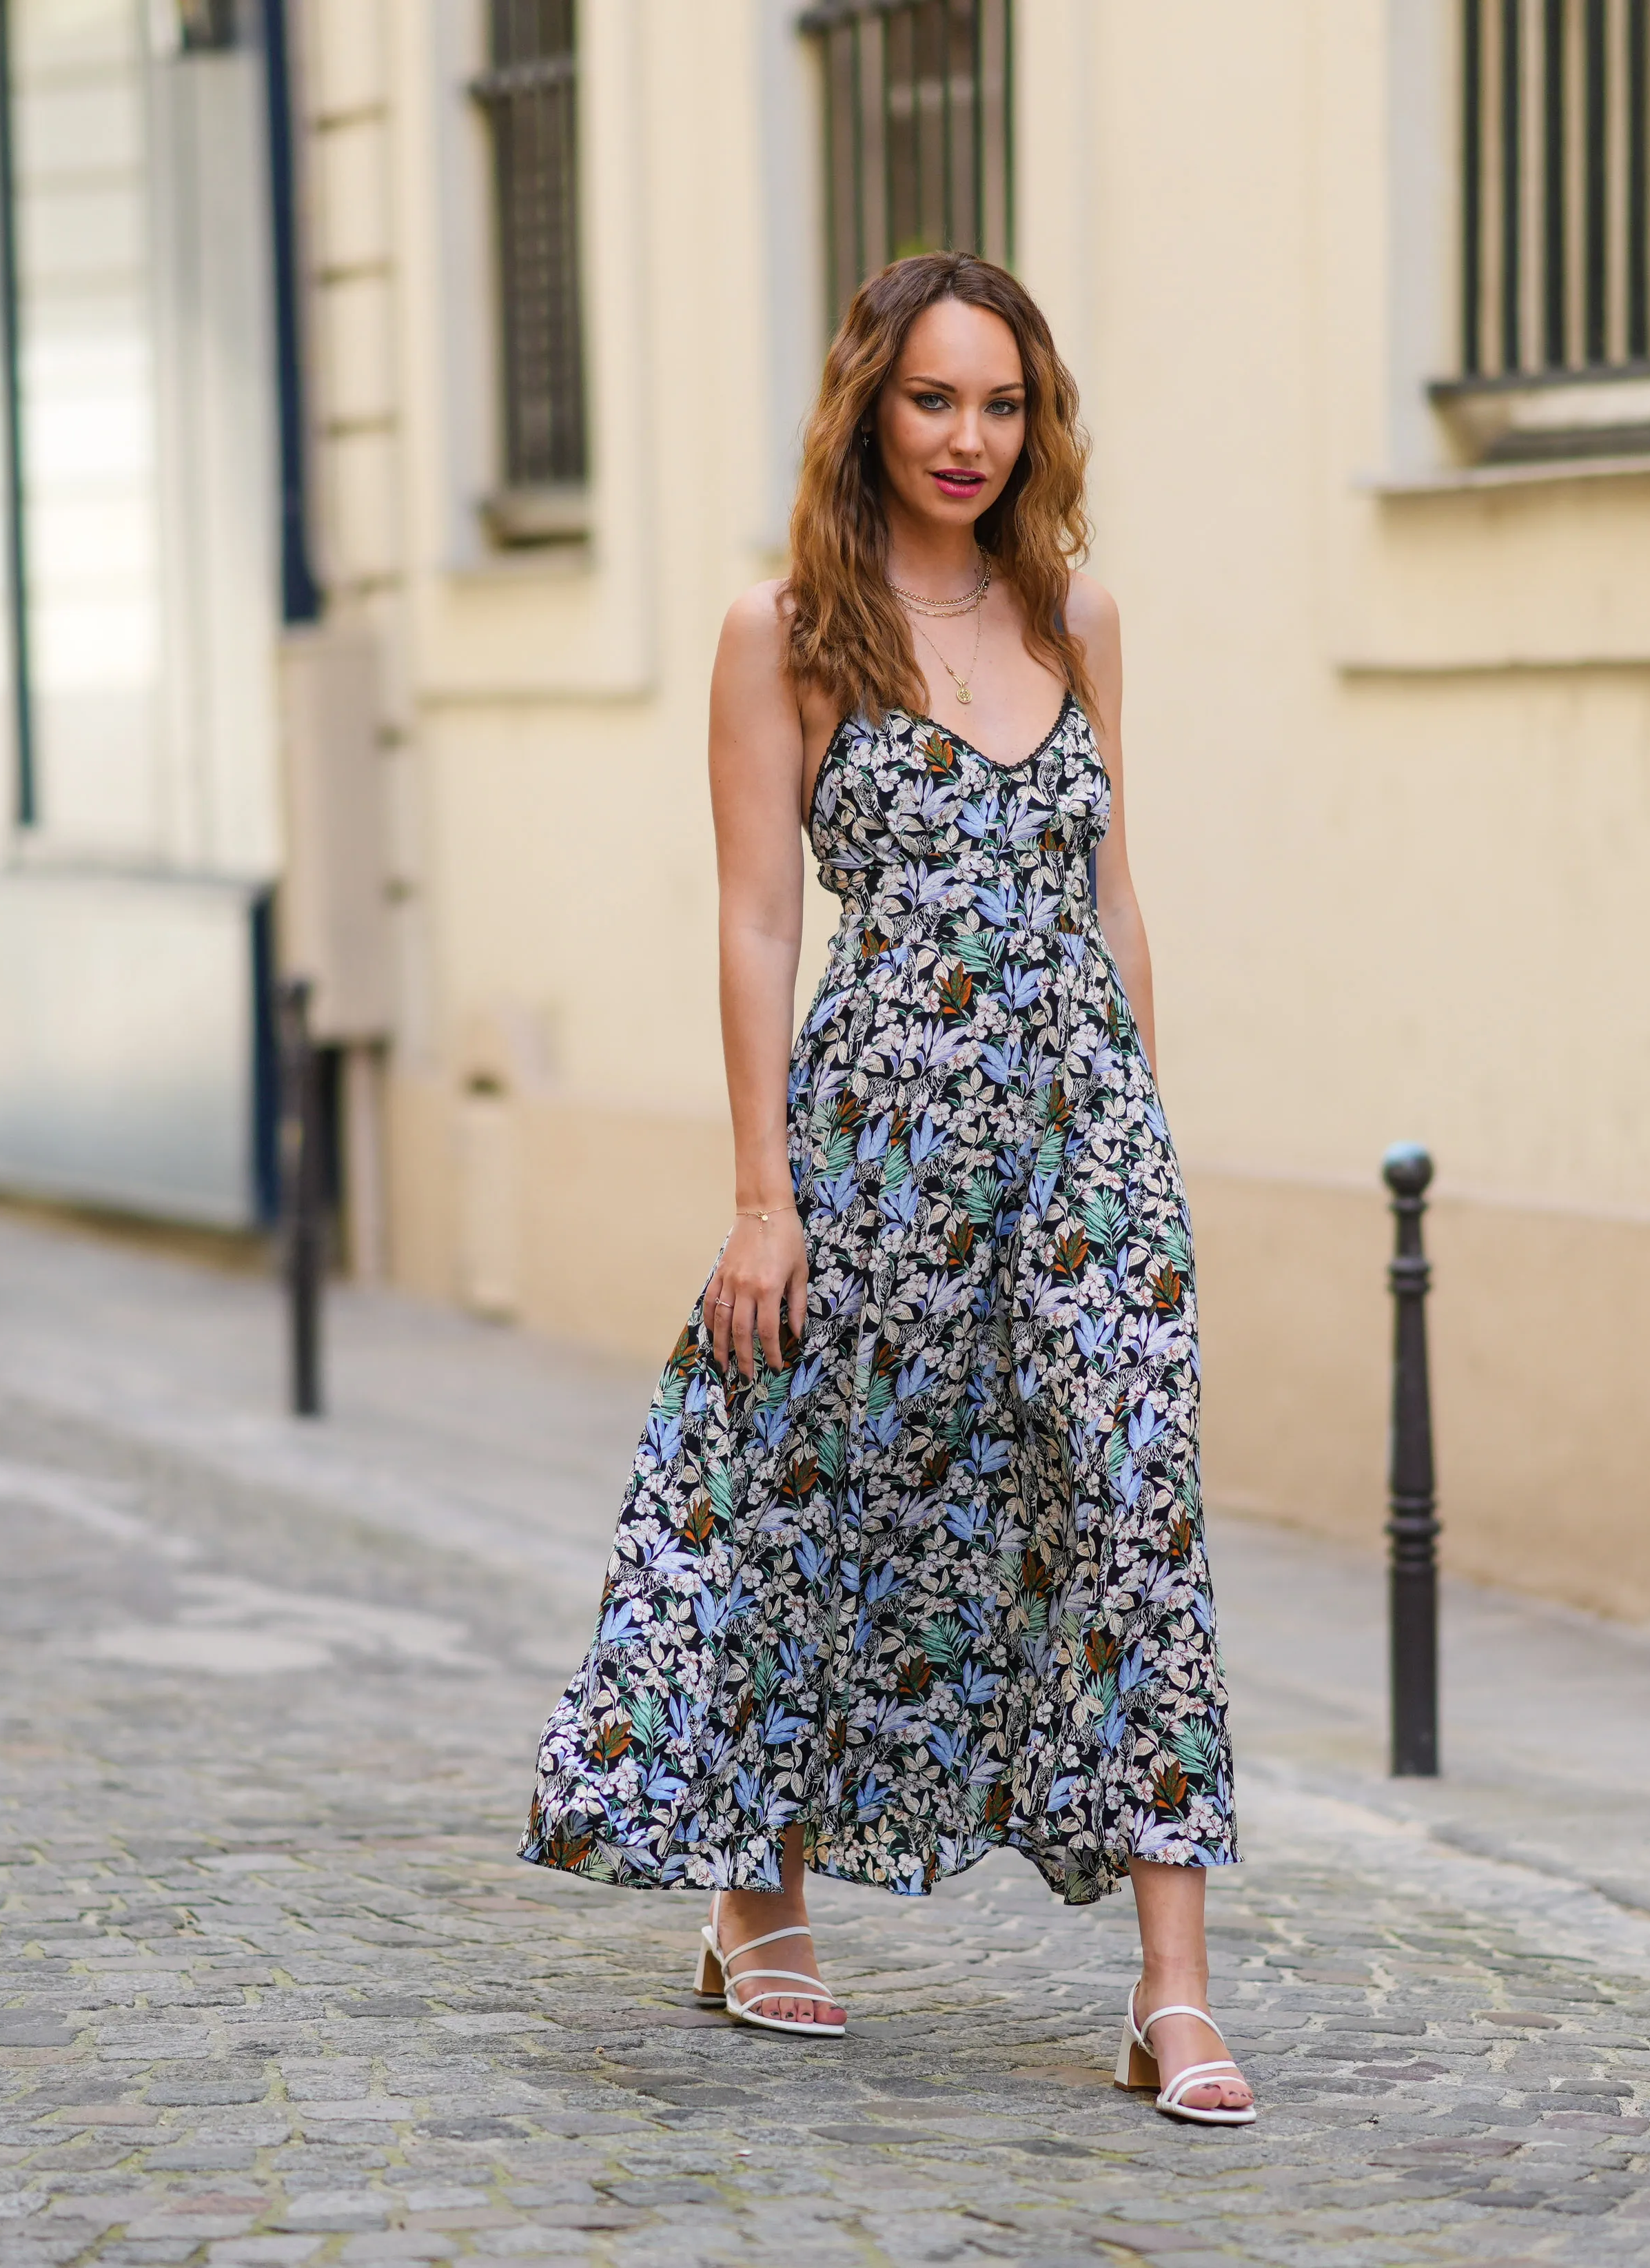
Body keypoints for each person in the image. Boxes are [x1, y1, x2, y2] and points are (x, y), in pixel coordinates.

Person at [519, 252, 1250, 2125]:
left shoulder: (1077, 614)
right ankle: (753, 1895)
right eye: (935, 400)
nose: (969, 439)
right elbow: (759, 919)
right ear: (870, 405)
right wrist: (767, 1203)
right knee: (795, 1487)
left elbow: (1112, 890)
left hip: (1078, 1147)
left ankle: (1172, 1994)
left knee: (1133, 1509)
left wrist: (1142, 1153)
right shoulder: (789, 634)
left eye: (1002, 404)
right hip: (874, 1144)